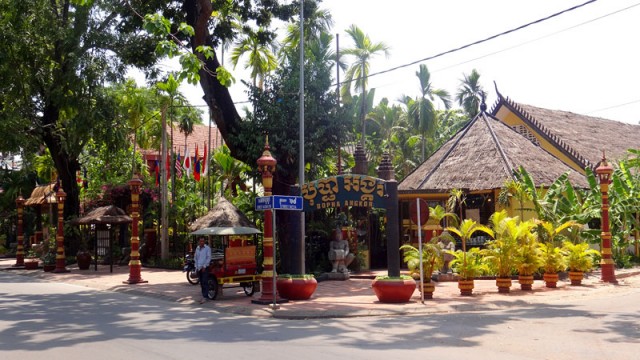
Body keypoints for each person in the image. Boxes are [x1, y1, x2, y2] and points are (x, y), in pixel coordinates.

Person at [194, 237, 211, 304]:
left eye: (203, 241)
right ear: (199, 242)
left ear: (204, 242)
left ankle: (206, 296)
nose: (202, 242)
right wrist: (196, 267)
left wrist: (205, 266)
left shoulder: (207, 248)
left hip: (205, 267)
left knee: (205, 281)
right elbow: (196, 258)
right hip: (199, 267)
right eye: (200, 241)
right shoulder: (197, 248)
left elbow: (208, 257)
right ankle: (204, 295)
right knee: (201, 282)